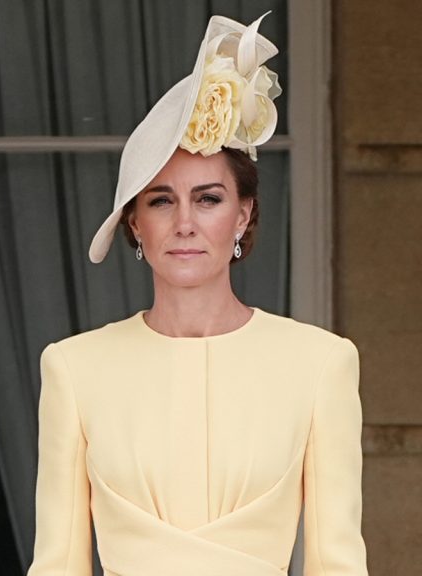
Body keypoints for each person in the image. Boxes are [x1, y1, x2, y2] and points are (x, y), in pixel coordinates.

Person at [28, 14, 368, 576]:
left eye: (208, 199)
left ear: (243, 215)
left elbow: (338, 564)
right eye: (161, 201)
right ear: (135, 223)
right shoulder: (73, 367)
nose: (184, 222)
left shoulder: (321, 363)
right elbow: (56, 565)